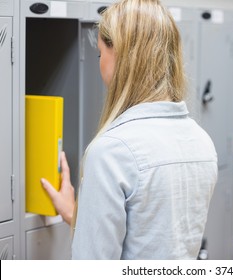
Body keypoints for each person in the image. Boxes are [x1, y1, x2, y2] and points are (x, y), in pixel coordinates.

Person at [40, 0, 218, 260]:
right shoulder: (202, 142)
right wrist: (76, 214)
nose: (100, 65)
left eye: (101, 54)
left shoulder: (111, 152)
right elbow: (152, 238)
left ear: (122, 57)